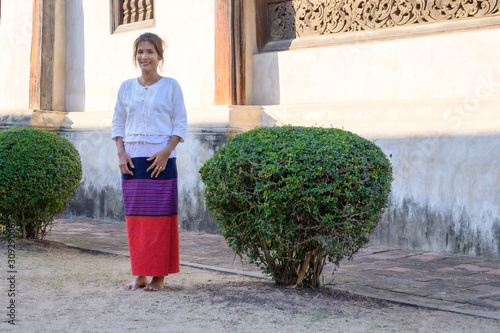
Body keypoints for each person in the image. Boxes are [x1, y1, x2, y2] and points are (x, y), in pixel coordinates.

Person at [111, 32, 187, 291]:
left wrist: (166, 152)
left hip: (161, 161)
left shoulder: (171, 86)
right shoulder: (125, 87)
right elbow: (118, 123)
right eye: (140, 52)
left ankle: (159, 278)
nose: (144, 56)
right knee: (136, 220)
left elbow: (181, 123)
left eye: (150, 52)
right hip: (132, 162)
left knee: (161, 220)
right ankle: (140, 274)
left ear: (159, 56)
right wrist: (121, 154)